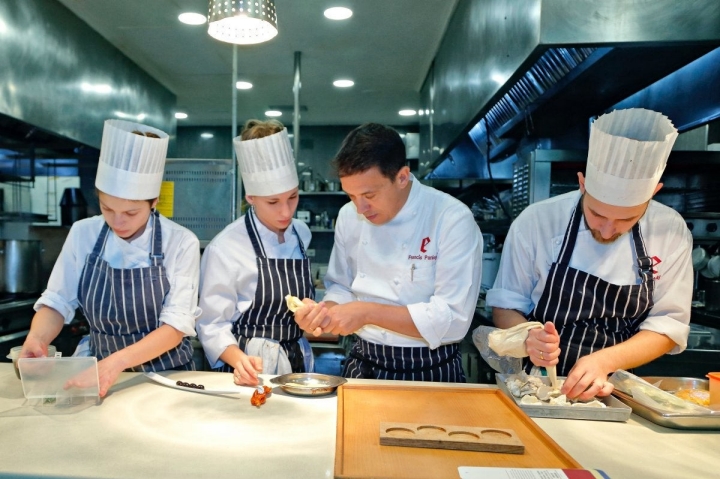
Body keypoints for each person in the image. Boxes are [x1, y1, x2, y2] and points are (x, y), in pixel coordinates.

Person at [486, 108, 693, 400]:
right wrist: (528, 337)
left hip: (619, 387)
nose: (608, 231)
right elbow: (505, 305)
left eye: (626, 220)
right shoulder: (537, 222)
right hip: (537, 385)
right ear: (582, 184)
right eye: (596, 214)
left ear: (654, 193)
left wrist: (605, 361)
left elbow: (668, 324)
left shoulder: (670, 231)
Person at [22, 120, 201, 397]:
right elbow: (57, 301)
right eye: (107, 208)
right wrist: (37, 338)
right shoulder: (84, 233)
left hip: (166, 376)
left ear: (153, 201)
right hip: (96, 372)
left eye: (131, 213)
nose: (118, 222)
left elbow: (176, 327)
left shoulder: (180, 241)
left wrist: (116, 363)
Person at [294, 123, 483, 382]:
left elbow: (452, 320)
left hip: (431, 368)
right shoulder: (348, 216)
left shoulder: (451, 218)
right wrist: (324, 312)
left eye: (369, 194)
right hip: (365, 362)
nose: (360, 208)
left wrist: (366, 312)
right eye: (351, 195)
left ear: (402, 177)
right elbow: (341, 286)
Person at [196, 120, 314, 387]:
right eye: (273, 202)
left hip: (296, 361)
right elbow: (211, 324)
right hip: (247, 369)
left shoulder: (301, 233)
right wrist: (239, 359)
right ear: (251, 197)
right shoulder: (225, 247)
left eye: (292, 197)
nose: (286, 212)